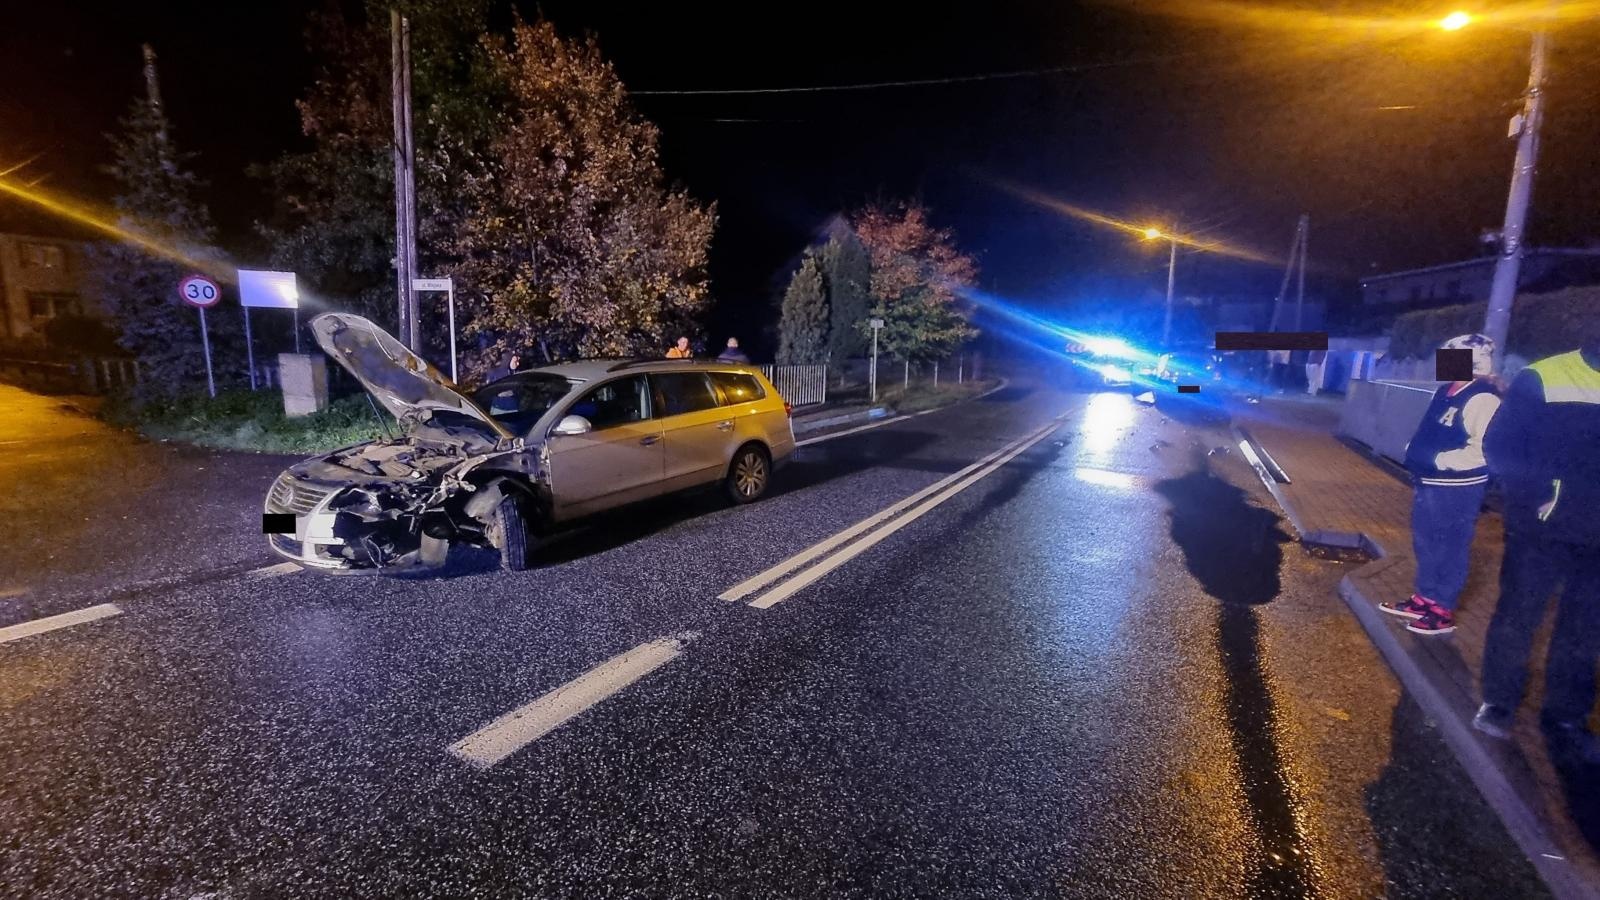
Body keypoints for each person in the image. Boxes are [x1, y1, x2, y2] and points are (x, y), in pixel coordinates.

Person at [1472, 336, 1600, 764]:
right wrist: (1531, 501)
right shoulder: (1544, 375)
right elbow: (1502, 446)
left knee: (1584, 632)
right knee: (1518, 617)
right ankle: (1499, 701)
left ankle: (1566, 716)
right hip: (1541, 531)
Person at [1379, 334, 1502, 635]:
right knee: (1426, 543)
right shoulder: (1446, 390)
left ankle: (1442, 609)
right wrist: (1416, 451)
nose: (1442, 363)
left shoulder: (1483, 398)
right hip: (1430, 482)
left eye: (1450, 357)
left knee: (1449, 547)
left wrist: (1438, 459)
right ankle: (1424, 598)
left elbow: (1483, 450)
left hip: (1458, 488)